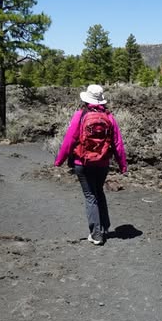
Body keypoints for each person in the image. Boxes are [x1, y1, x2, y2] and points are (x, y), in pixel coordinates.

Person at [54, 84, 127, 245]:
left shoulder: (80, 115)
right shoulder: (109, 118)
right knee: (99, 191)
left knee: (90, 196)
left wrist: (59, 160)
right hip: (102, 163)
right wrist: (123, 165)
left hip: (83, 162)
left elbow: (69, 140)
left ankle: (96, 234)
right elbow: (118, 143)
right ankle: (104, 227)